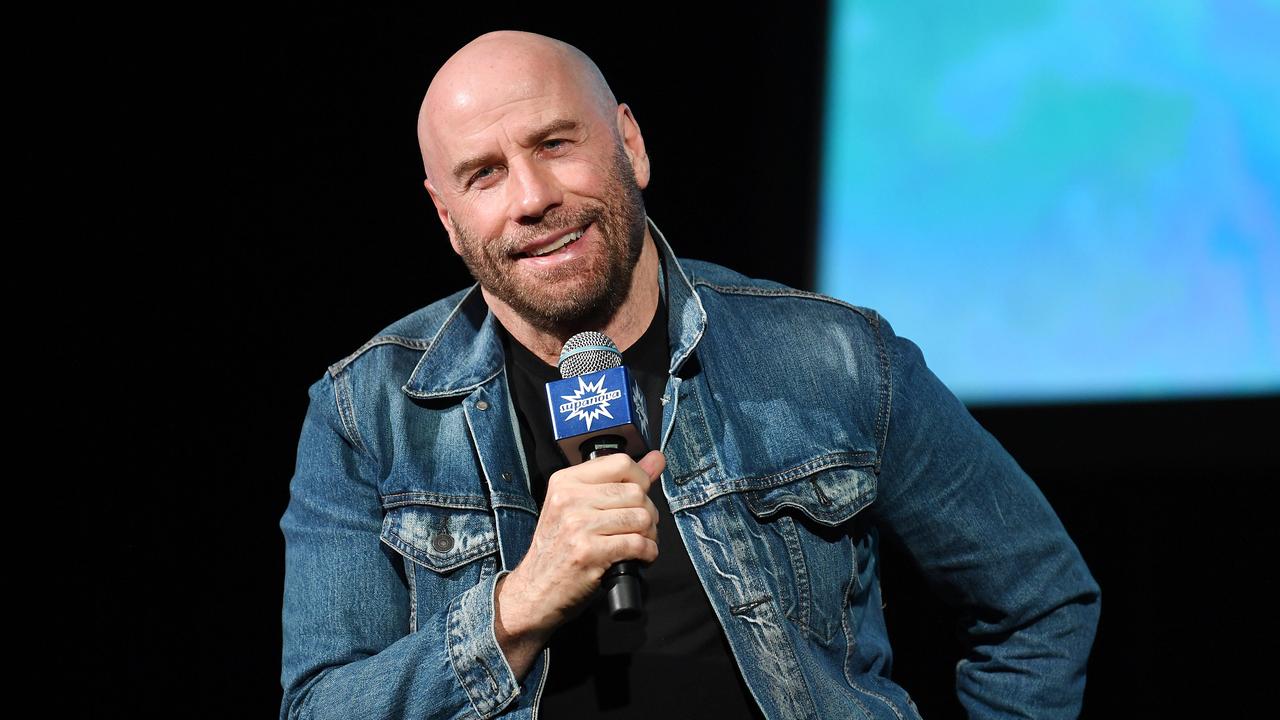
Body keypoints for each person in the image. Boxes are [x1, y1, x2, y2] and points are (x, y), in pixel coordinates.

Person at [279, 30, 1100, 720]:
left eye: (554, 144)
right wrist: (519, 604)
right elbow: (319, 705)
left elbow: (1041, 599)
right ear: (447, 218)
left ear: (629, 145)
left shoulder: (835, 356)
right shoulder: (368, 411)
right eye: (484, 174)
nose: (530, 197)